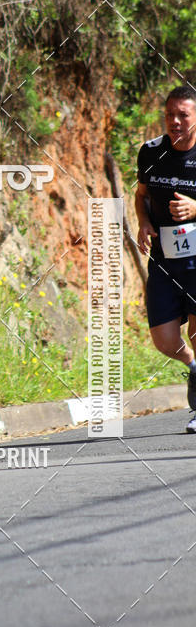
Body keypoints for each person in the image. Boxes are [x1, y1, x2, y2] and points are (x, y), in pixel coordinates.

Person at [136, 85, 196, 432]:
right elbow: (141, 195)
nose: (175, 121)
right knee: (165, 340)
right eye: (169, 114)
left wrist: (195, 207)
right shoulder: (151, 152)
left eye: (183, 115)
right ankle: (193, 367)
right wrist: (144, 222)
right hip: (164, 259)